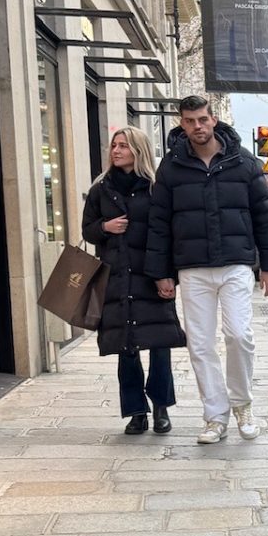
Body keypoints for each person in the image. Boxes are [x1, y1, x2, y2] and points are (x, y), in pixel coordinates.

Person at [145, 94, 268, 444]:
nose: (197, 127)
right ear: (181, 123)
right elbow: (159, 222)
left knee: (239, 335)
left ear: (214, 118)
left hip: (236, 263)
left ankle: (243, 404)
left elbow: (264, 216)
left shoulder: (244, 162)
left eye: (202, 119)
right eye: (189, 121)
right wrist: (162, 272)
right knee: (200, 344)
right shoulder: (172, 167)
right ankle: (215, 416)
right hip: (192, 268)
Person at [81, 128, 186, 435]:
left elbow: (169, 234)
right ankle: (136, 412)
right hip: (116, 278)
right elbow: (87, 230)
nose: (116, 150)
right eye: (114, 145)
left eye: (123, 145)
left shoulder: (156, 188)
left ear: (138, 150)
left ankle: (161, 408)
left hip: (152, 276)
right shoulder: (101, 188)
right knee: (126, 347)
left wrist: (168, 276)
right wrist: (105, 226)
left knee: (160, 344)